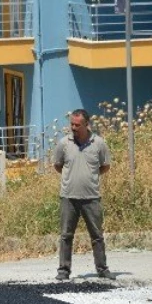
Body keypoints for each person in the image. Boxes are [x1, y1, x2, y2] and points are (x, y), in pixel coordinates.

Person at [52, 109, 115, 281]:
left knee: (97, 235)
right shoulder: (64, 143)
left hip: (91, 197)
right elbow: (58, 165)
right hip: (68, 197)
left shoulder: (99, 143)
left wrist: (89, 176)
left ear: (87, 125)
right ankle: (63, 271)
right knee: (66, 235)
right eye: (71, 124)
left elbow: (105, 166)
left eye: (77, 125)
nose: (73, 127)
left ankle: (102, 269)